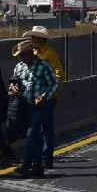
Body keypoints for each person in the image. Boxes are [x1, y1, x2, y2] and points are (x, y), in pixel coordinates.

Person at [11, 39, 58, 178]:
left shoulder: (43, 66)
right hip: (25, 105)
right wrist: (13, 88)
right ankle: (37, 166)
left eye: (24, 54)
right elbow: (14, 82)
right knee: (35, 136)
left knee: (32, 134)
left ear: (31, 53)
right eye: (20, 55)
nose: (22, 58)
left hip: (40, 106)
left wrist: (44, 96)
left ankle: (26, 165)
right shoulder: (19, 67)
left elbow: (53, 84)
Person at [22, 26, 65, 170]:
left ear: (40, 39)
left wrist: (50, 94)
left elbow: (58, 75)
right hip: (34, 97)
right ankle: (40, 158)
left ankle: (47, 157)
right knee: (38, 129)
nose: (32, 40)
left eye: (34, 38)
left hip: (47, 97)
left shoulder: (50, 54)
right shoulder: (34, 52)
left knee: (46, 128)